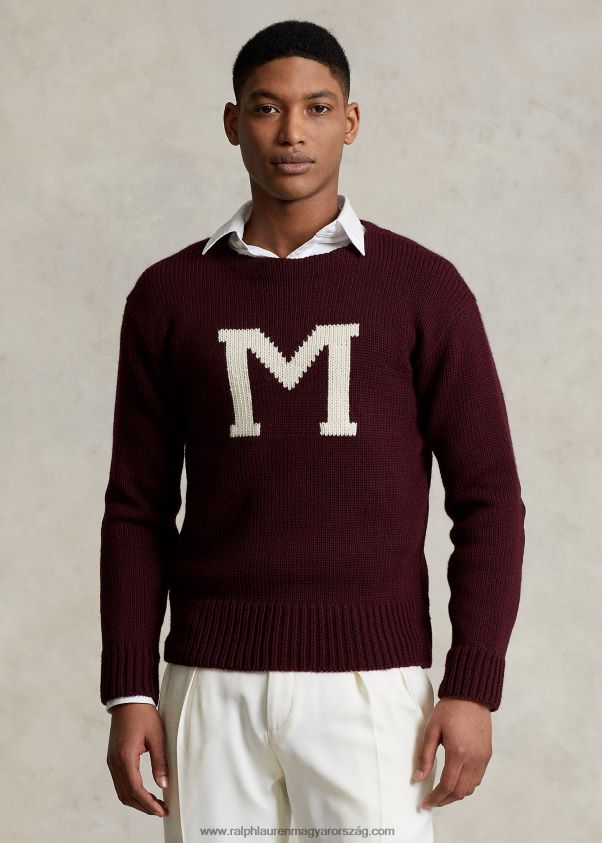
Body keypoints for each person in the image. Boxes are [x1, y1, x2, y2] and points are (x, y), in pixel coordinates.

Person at [100, 19, 526, 843]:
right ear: (234, 123)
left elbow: (489, 499)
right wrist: (130, 687)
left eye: (317, 107)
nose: (292, 131)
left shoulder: (423, 288)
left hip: (374, 686)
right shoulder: (169, 295)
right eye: (267, 108)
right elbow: (136, 507)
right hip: (210, 683)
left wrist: (473, 683)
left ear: (350, 121)